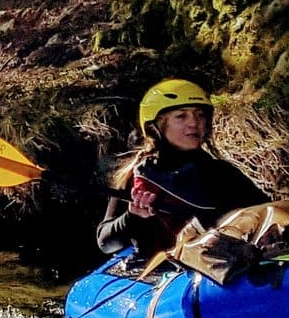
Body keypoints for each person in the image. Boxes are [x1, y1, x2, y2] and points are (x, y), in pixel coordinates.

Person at [95, 78, 269, 258]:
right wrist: (133, 217)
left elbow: (268, 215)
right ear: (156, 126)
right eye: (181, 116)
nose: (194, 123)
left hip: (216, 267)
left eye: (200, 115)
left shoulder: (222, 173)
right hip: (158, 272)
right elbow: (105, 243)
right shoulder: (138, 176)